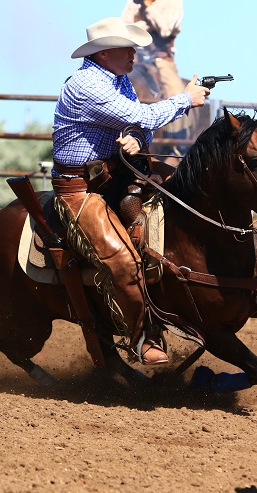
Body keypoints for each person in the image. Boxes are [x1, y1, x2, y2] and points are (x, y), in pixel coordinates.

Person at [51, 17, 209, 365]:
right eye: (128, 48)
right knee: (123, 262)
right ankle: (140, 337)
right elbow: (143, 115)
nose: (135, 54)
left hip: (115, 175)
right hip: (80, 189)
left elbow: (139, 124)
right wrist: (185, 99)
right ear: (105, 53)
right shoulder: (87, 85)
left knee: (188, 195)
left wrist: (137, 138)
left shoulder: (118, 80)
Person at [121, 0, 187, 139]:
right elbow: (123, 28)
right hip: (132, 55)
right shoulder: (133, 2)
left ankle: (176, 144)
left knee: (175, 91)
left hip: (159, 57)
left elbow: (166, 29)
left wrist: (148, 6)